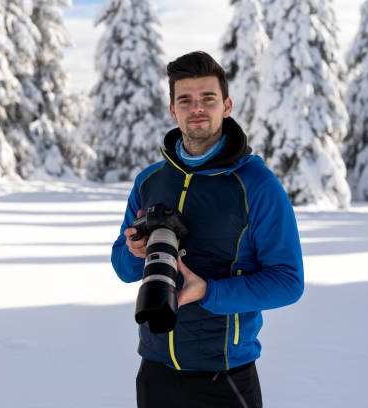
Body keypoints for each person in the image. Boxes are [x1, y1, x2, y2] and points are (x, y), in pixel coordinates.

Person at [111, 51, 304, 408]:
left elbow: (288, 282)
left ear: (226, 106)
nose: (196, 108)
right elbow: (123, 268)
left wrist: (209, 291)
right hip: (155, 369)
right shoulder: (149, 180)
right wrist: (135, 252)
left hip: (224, 377)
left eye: (208, 99)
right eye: (185, 99)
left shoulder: (257, 185)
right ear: (173, 110)